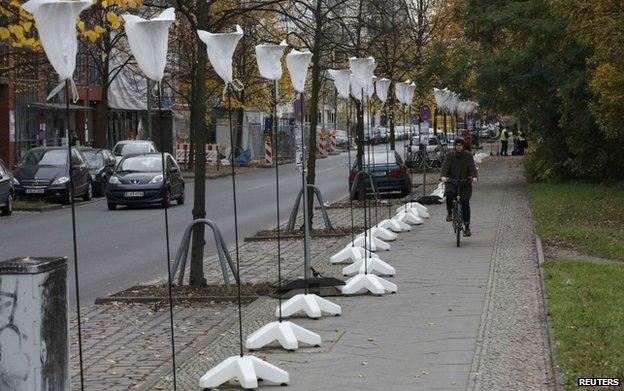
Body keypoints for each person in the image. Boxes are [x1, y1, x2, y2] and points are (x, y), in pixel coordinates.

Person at [441, 138, 478, 237]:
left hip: (464, 183)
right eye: (457, 145)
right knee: (449, 194)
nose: (459, 147)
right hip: (452, 182)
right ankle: (449, 211)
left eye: (460, 145)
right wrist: (443, 176)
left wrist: (474, 177)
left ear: (463, 146)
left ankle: (467, 227)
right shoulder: (449, 155)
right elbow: (445, 167)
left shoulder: (468, 155)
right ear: (454, 146)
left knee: (465, 203)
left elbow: (472, 167)